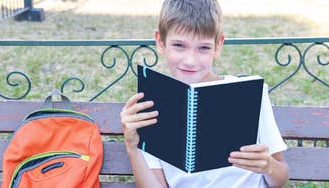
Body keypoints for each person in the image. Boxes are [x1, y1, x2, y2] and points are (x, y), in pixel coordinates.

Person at [120, 0, 289, 187]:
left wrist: (269, 167)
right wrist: (132, 147)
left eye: (204, 48)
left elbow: (280, 178)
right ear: (160, 42)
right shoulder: (150, 105)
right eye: (179, 45)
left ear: (218, 46)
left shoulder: (250, 94)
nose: (190, 60)